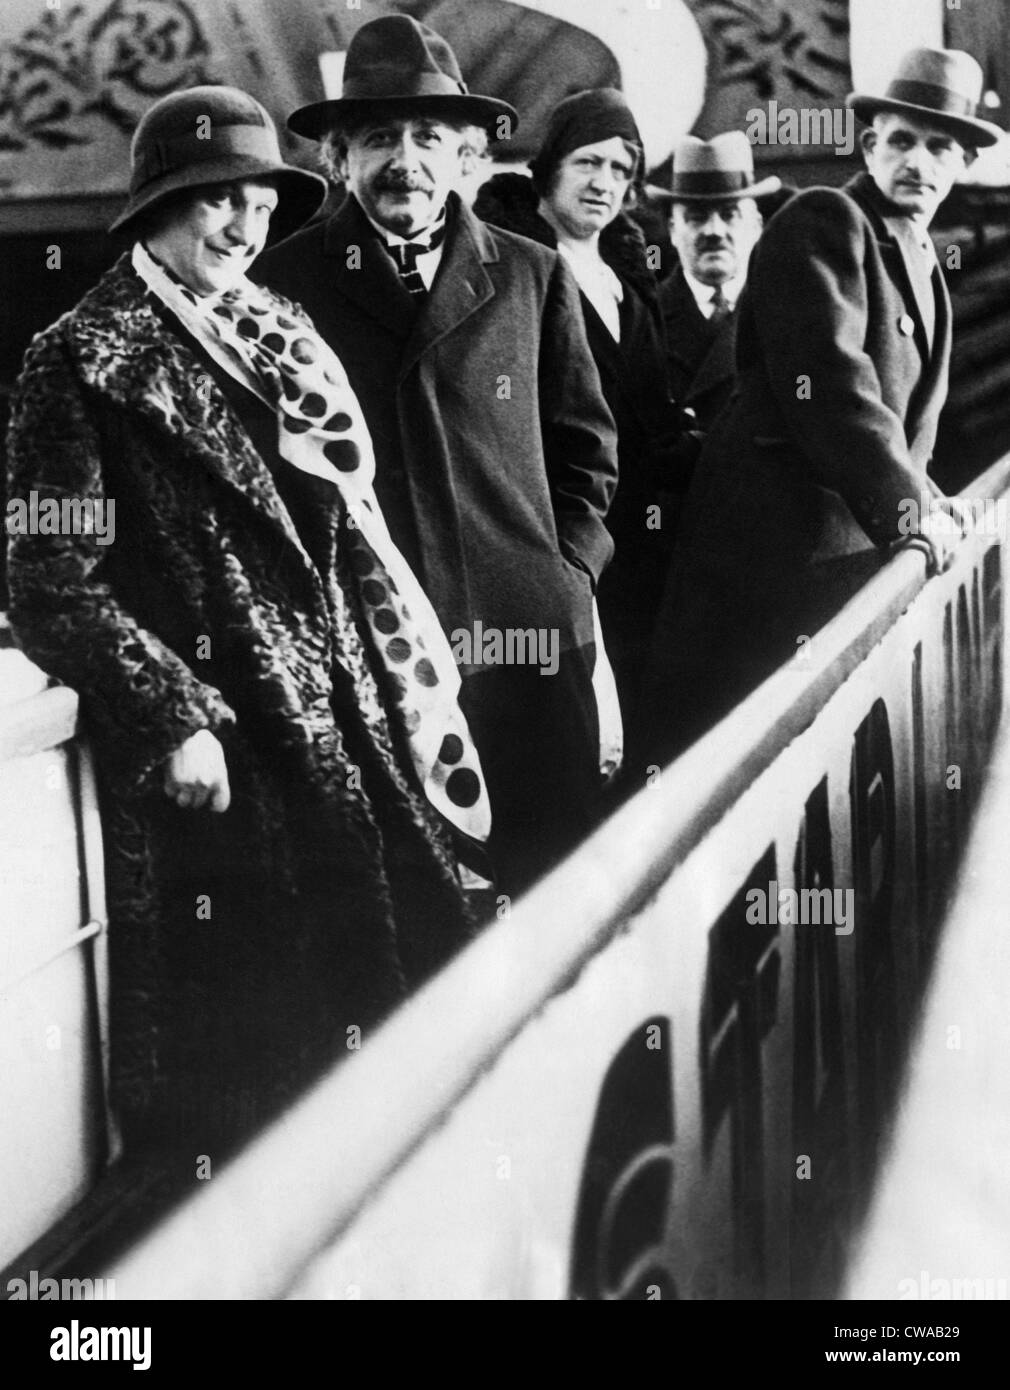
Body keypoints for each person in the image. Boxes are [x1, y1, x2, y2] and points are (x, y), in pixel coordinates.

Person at [5, 86, 490, 1159]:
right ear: (154, 212)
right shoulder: (78, 357)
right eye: (214, 201)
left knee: (405, 1052)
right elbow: (48, 580)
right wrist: (174, 709)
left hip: (356, 731)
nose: (243, 224)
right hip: (234, 767)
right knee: (269, 1086)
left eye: (260, 202)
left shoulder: (283, 332)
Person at [257, 17, 620, 896]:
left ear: (466, 158)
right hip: (380, 649)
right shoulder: (284, 283)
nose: (405, 161)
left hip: (532, 640)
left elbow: (588, 448)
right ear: (339, 161)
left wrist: (571, 569)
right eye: (379, 138)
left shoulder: (533, 274)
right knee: (417, 915)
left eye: (429, 137)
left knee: (557, 898)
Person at [639, 48, 1000, 768]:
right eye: (901, 140)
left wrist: (931, 496)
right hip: (769, 560)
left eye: (940, 148)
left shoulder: (920, 256)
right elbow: (832, 385)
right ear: (870, 144)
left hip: (834, 562)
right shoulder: (826, 217)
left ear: (960, 164)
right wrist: (909, 513)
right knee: (727, 772)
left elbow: (893, 418)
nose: (919, 163)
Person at [473, 87, 689, 734]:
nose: (605, 183)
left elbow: (653, 417)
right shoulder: (507, 266)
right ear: (549, 168)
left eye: (622, 170)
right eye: (588, 163)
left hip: (643, 542)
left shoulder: (630, 276)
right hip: (558, 542)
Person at [653, 132, 780, 432]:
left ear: (757, 227)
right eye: (696, 217)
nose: (714, 230)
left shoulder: (786, 315)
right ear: (673, 230)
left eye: (729, 215)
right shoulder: (644, 317)